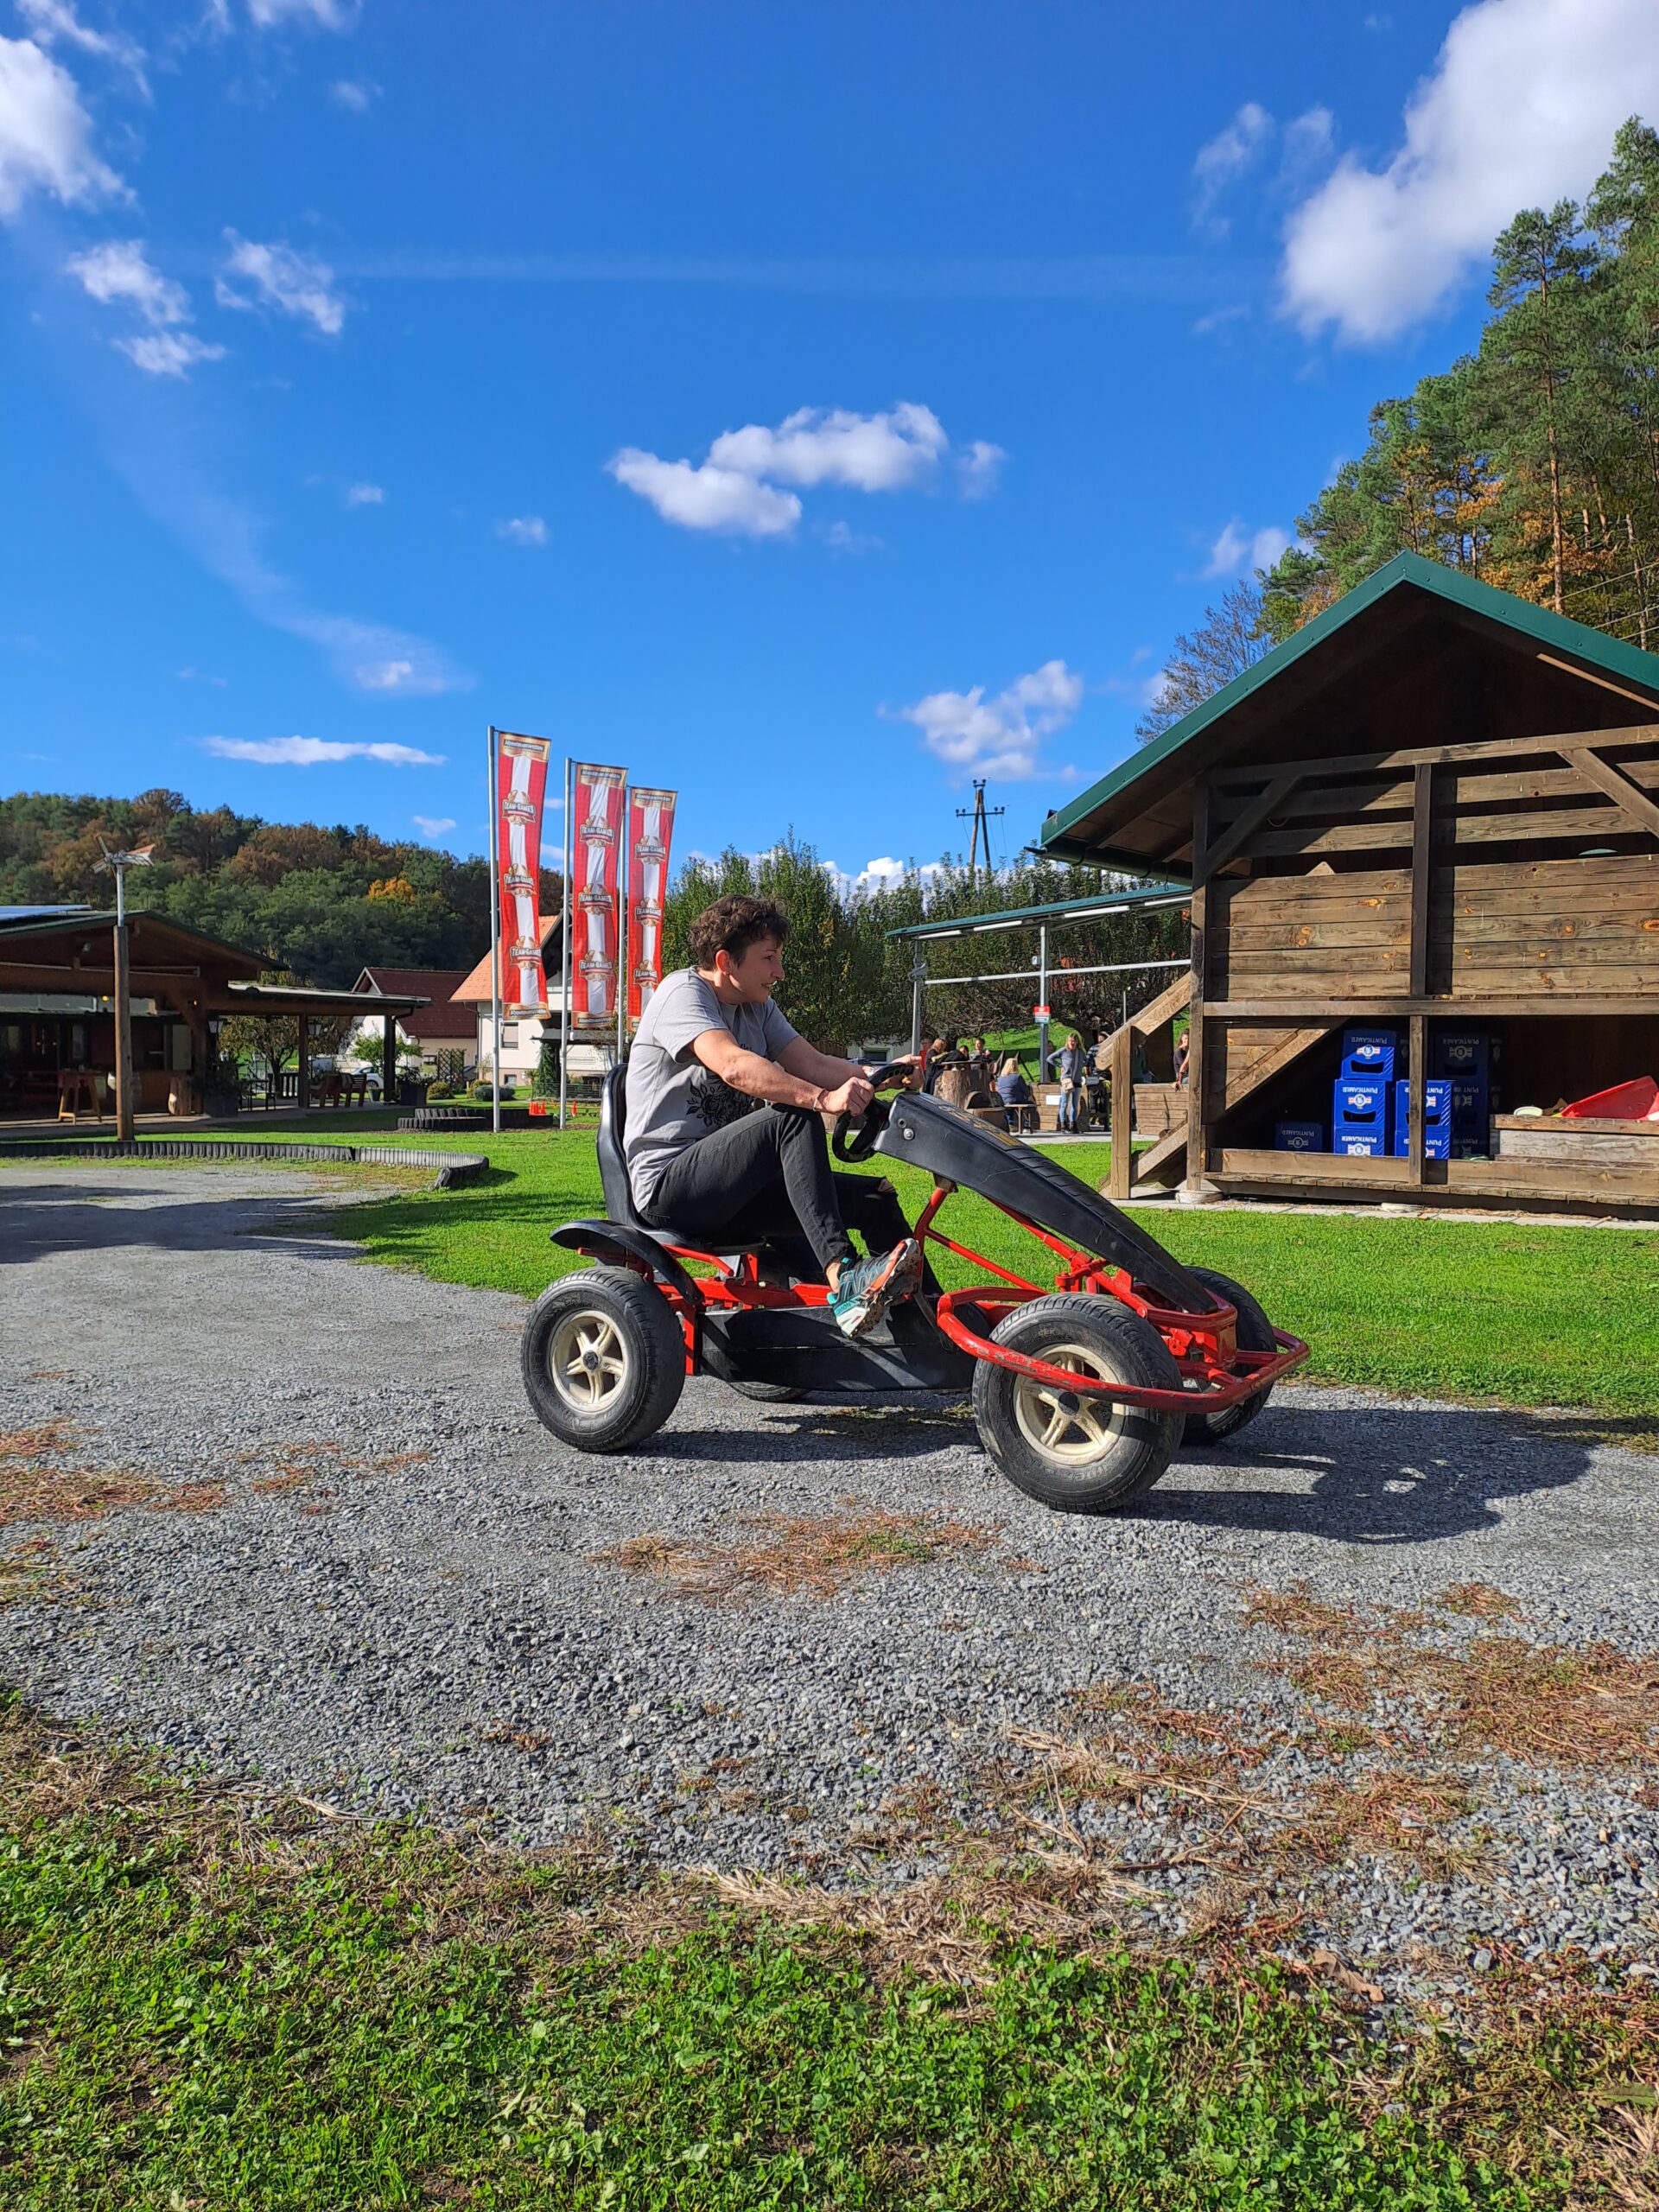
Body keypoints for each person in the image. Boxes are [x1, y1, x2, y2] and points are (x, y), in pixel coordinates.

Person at [624, 894, 922, 1338]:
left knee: (875, 1199)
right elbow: (733, 1065)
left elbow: (813, 1063)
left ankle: (931, 1336)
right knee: (792, 1115)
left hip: (734, 1188)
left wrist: (883, 1074)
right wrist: (823, 1100)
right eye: (768, 958)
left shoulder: (757, 1006)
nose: (779, 972)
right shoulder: (681, 994)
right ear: (725, 961)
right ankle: (844, 1278)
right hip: (669, 1188)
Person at [1058, 1030, 1086, 1132]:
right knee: (1064, 1102)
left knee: (1075, 1103)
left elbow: (1086, 1061)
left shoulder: (1080, 1052)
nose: (1071, 1043)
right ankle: (1063, 1124)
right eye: (1070, 1041)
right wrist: (1060, 1066)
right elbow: (1050, 1058)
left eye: (1073, 1041)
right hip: (1066, 1080)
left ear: (1077, 1042)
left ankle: (1073, 1124)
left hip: (1077, 1080)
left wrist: (1082, 1068)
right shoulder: (1063, 1051)